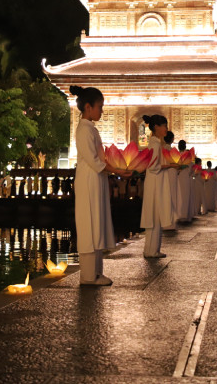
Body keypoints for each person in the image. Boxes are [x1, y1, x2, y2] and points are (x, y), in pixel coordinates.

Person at [70, 85, 132, 286]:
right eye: (99, 106)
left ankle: (96, 272)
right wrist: (116, 170)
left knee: (96, 222)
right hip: (89, 181)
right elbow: (93, 160)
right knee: (90, 224)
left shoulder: (90, 129)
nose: (102, 111)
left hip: (96, 181)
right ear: (88, 107)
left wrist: (117, 167)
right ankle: (88, 275)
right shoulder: (83, 131)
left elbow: (100, 159)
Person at [141, 114, 175, 258]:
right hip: (155, 183)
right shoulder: (154, 144)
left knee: (155, 217)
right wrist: (170, 165)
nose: (166, 128)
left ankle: (153, 249)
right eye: (164, 126)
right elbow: (153, 166)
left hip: (155, 182)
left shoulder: (156, 143)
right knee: (154, 217)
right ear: (156, 127)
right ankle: (151, 250)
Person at [163, 130, 179, 228]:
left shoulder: (161, 148)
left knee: (165, 197)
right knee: (172, 197)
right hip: (172, 174)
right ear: (172, 139)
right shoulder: (172, 150)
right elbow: (176, 163)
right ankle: (171, 222)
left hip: (163, 174)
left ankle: (165, 222)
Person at [176, 140, 193, 221]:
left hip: (177, 177)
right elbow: (190, 168)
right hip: (185, 176)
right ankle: (185, 214)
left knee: (178, 196)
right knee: (185, 195)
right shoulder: (187, 155)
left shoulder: (176, 155)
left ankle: (179, 214)